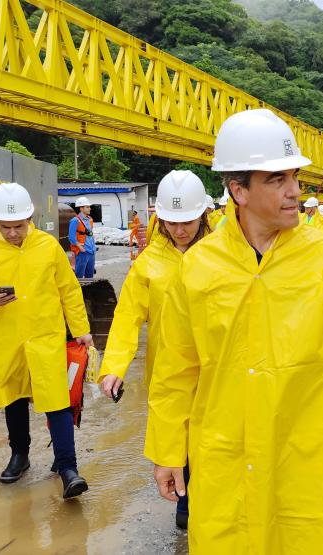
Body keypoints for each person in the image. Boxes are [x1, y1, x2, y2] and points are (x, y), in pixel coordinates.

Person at [145, 108, 323, 552]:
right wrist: (167, 449)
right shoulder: (199, 266)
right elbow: (175, 366)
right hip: (225, 454)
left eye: (294, 178)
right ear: (237, 189)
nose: (294, 192)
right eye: (277, 180)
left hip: (305, 456)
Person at [0, 182, 94, 499]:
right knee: (14, 397)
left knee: (56, 399)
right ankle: (20, 455)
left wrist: (81, 329)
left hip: (45, 337)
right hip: (8, 340)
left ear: (29, 218)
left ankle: (68, 468)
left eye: (18, 226)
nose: (12, 233)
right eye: (6, 227)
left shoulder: (48, 247)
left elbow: (69, 291)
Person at [98, 169, 210, 530]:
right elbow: (128, 316)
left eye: (188, 221)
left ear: (203, 215)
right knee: (178, 435)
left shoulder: (223, 254)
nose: (180, 230)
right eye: (172, 222)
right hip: (169, 367)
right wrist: (114, 365)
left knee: (215, 435)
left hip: (216, 364)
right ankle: (186, 499)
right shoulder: (148, 264)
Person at [68, 196, 96, 278]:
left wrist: (94, 247)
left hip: (91, 251)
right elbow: (71, 237)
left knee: (90, 275)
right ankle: (79, 290)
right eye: (87, 207)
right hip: (82, 252)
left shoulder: (90, 219)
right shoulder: (75, 221)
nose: (89, 209)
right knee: (79, 275)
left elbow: (90, 234)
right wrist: (80, 247)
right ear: (81, 208)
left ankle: (89, 291)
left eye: (89, 207)